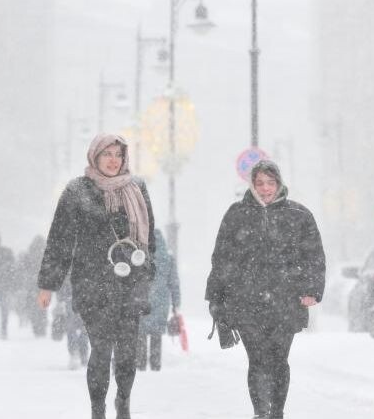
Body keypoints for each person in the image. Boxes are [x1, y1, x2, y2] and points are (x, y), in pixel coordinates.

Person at [37, 134, 156, 419]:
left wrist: (148, 271)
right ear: (95, 156)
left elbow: (149, 238)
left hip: (131, 284)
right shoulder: (77, 191)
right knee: (101, 350)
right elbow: (60, 240)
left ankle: (123, 403)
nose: (113, 160)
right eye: (107, 154)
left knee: (127, 354)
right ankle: (97, 410)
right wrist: (47, 284)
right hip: (93, 285)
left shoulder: (137, 188)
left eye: (118, 155)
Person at [206, 160, 326, 419]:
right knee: (258, 359)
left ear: (279, 183)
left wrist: (312, 289)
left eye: (270, 183)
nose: (265, 188)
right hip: (246, 302)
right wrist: (216, 297)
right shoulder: (236, 215)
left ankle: (277, 413)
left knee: (279, 359)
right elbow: (222, 258)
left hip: (286, 302)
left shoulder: (299, 215)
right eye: (259, 183)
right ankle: (261, 413)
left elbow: (313, 255)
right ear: (251, 185)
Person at [137, 228, 181, 371]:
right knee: (156, 335)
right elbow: (174, 283)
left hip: (143, 300)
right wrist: (176, 304)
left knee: (141, 333)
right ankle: (155, 365)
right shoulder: (168, 258)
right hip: (161, 303)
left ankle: (140, 365)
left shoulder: (141, 256)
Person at [52, 276, 90, 369]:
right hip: (77, 295)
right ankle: (80, 353)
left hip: (76, 295)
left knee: (77, 327)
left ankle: (77, 353)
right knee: (80, 327)